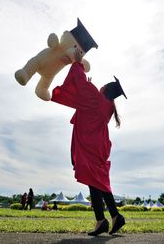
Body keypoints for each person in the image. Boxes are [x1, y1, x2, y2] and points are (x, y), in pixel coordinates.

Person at [51, 50, 127, 236]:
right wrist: (89, 87)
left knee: (95, 182)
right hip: (98, 145)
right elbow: (87, 102)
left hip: (91, 145)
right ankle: (114, 217)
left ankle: (103, 220)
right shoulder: (107, 106)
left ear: (104, 90)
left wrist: (78, 64)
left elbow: (81, 88)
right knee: (98, 182)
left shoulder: (96, 98)